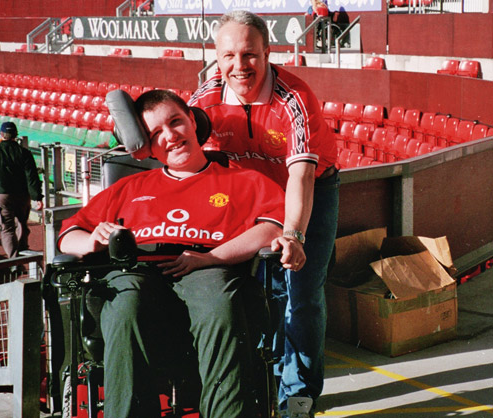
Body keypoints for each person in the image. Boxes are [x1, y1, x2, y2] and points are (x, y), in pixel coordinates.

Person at [58, 90, 287, 418]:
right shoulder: (130, 188)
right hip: (138, 271)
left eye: (175, 122)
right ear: (147, 146)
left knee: (218, 300)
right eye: (155, 134)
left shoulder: (244, 181)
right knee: (124, 303)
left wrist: (213, 258)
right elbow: (68, 236)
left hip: (207, 267)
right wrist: (93, 240)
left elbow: (273, 227)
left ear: (192, 121)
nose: (170, 136)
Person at [188, 10, 339, 417]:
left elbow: (303, 175)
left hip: (308, 191)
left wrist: (294, 235)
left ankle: (299, 396)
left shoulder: (295, 99)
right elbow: (179, 152)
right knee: (254, 291)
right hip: (251, 194)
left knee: (300, 293)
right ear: (216, 58)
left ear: (268, 53)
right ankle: (259, 383)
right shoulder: (204, 99)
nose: (240, 67)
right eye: (229, 56)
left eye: (250, 55)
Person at [0, 122, 43, 258]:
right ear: (15, 135)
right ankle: (23, 247)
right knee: (22, 223)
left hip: (2, 194)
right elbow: (32, 177)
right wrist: (37, 197)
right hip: (23, 195)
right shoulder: (24, 153)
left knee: (7, 228)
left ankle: (13, 259)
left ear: (1, 134)